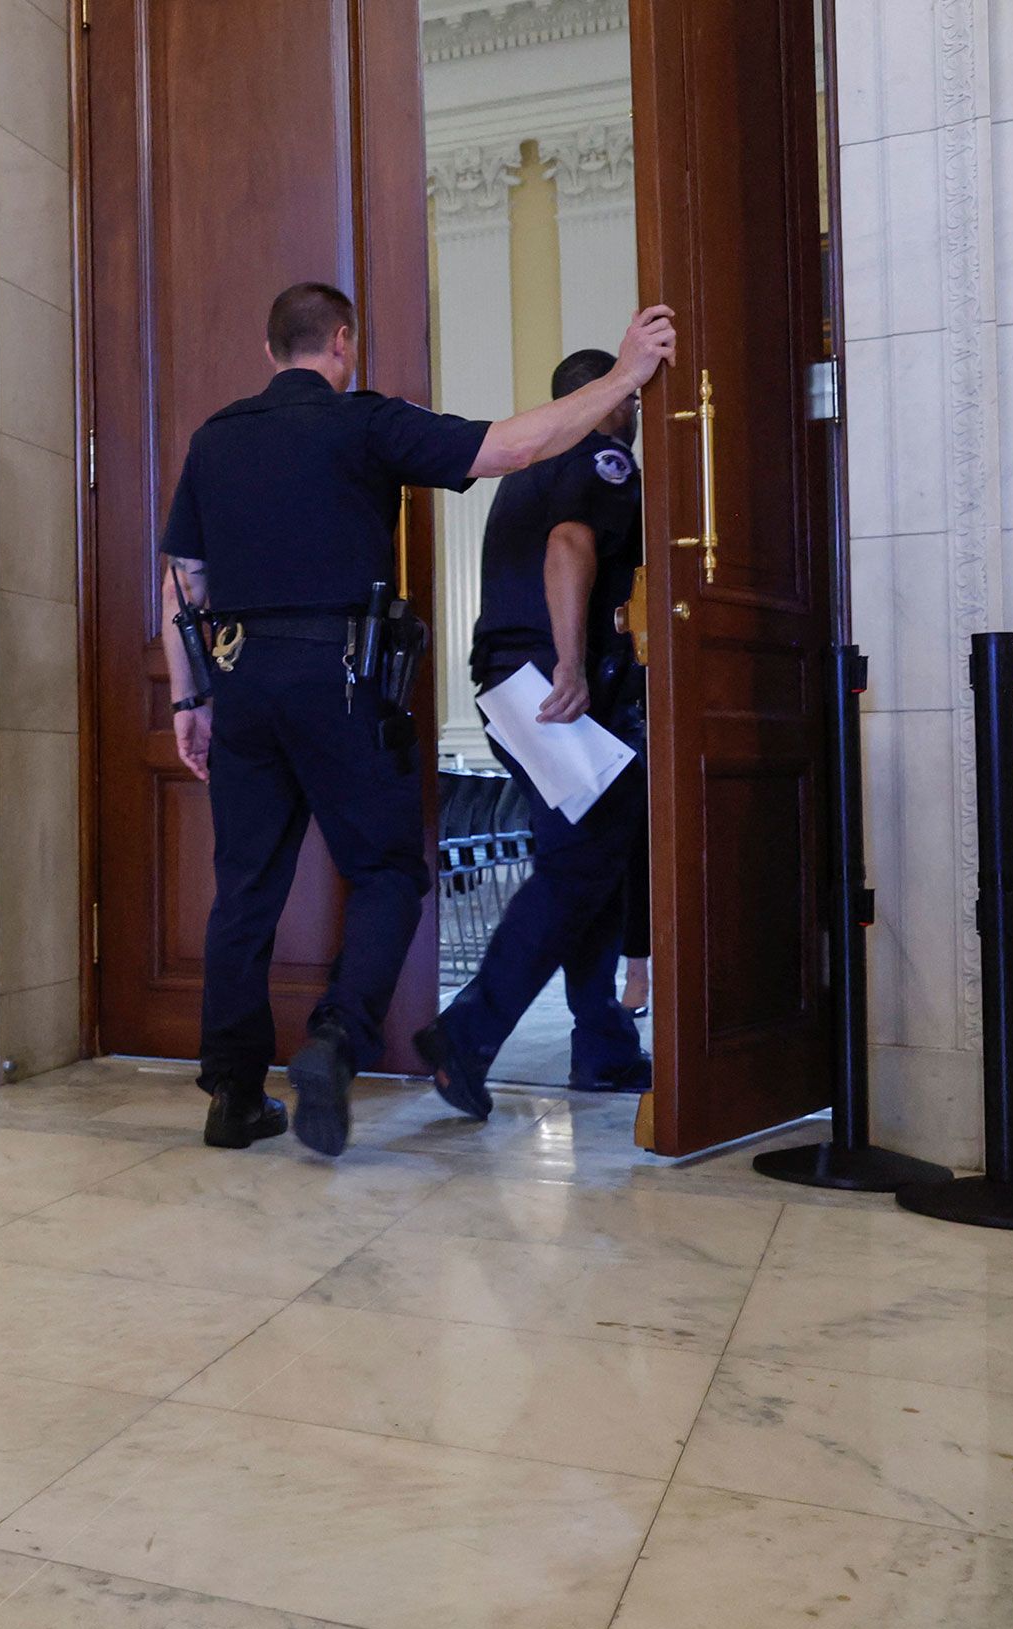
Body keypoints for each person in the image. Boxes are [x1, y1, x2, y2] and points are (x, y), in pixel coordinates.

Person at [164, 284, 673, 1157]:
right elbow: (510, 445)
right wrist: (626, 374)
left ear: (268, 346)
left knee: (244, 886)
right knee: (390, 870)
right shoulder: (363, 422)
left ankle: (234, 1095)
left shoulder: (216, 438)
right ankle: (334, 1039)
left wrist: (189, 696)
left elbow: (181, 580)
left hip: (240, 676)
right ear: (344, 341)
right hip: (339, 675)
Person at [415, 350, 652, 1112]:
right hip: (554, 690)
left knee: (590, 855)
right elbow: (569, 548)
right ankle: (467, 1035)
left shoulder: (534, 465)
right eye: (632, 397)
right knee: (582, 865)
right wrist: (575, 666)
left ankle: (602, 1044)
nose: (638, 411)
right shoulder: (601, 454)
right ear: (601, 398)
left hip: (507, 687)